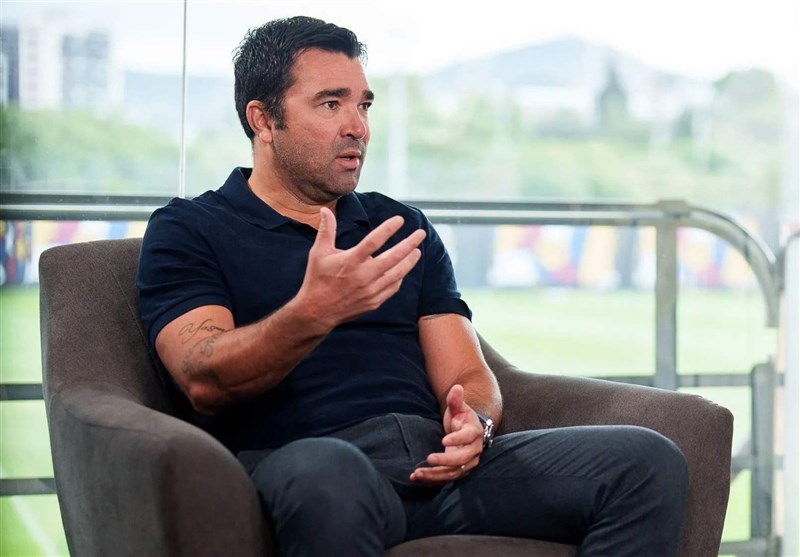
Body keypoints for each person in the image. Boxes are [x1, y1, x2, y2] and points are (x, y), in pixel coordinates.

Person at [136, 15, 688, 557]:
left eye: (363, 105)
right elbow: (203, 376)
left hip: (435, 466)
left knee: (646, 461)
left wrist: (476, 423)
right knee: (328, 472)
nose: (358, 126)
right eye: (331, 104)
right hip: (309, 465)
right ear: (263, 119)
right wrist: (314, 311)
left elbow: (468, 375)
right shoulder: (191, 228)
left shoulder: (400, 227)